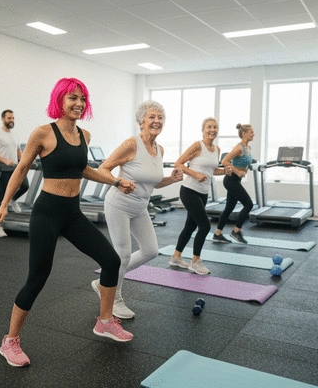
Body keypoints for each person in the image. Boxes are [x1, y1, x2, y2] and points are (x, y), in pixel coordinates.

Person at [0, 77, 135, 368]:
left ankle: (105, 321)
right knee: (38, 277)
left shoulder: (85, 135)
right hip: (47, 212)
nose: (78, 104)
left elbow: (83, 169)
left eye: (82, 99)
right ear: (59, 100)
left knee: (111, 260)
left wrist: (115, 180)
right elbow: (21, 169)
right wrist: (4, 204)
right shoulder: (43, 133)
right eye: (72, 98)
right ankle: (10, 341)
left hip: (72, 212)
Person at [91, 100, 183, 319]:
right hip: (118, 205)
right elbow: (103, 169)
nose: (157, 121)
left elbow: (153, 182)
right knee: (122, 254)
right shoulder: (131, 144)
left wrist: (171, 179)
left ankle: (104, 280)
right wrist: (117, 182)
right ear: (141, 121)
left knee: (150, 250)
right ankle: (115, 298)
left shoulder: (159, 149)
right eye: (152, 117)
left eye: (160, 118)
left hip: (140, 207)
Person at [169, 117, 232, 275]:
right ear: (203, 129)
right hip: (189, 190)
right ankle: (195, 261)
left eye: (215, 127)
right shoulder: (198, 146)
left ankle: (176, 257)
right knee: (204, 226)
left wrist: (225, 171)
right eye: (209, 127)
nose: (212, 130)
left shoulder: (217, 149)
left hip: (203, 193)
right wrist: (195, 174)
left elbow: (212, 170)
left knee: (190, 226)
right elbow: (179, 163)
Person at [0, 109, 29, 237]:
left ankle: (13, 199)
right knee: (2, 199)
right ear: (3, 119)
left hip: (15, 168)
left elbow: (18, 150)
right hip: (3, 169)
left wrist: (23, 161)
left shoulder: (14, 134)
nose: (11, 120)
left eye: (13, 118)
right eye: (9, 118)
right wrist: (5, 161)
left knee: (25, 186)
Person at [212, 123, 255, 245]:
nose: (253, 134)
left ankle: (217, 234)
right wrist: (237, 171)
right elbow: (224, 161)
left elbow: (244, 162)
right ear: (244, 133)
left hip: (236, 180)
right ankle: (236, 231)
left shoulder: (248, 148)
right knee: (249, 204)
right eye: (251, 132)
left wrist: (245, 169)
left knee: (229, 208)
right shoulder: (239, 148)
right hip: (231, 179)